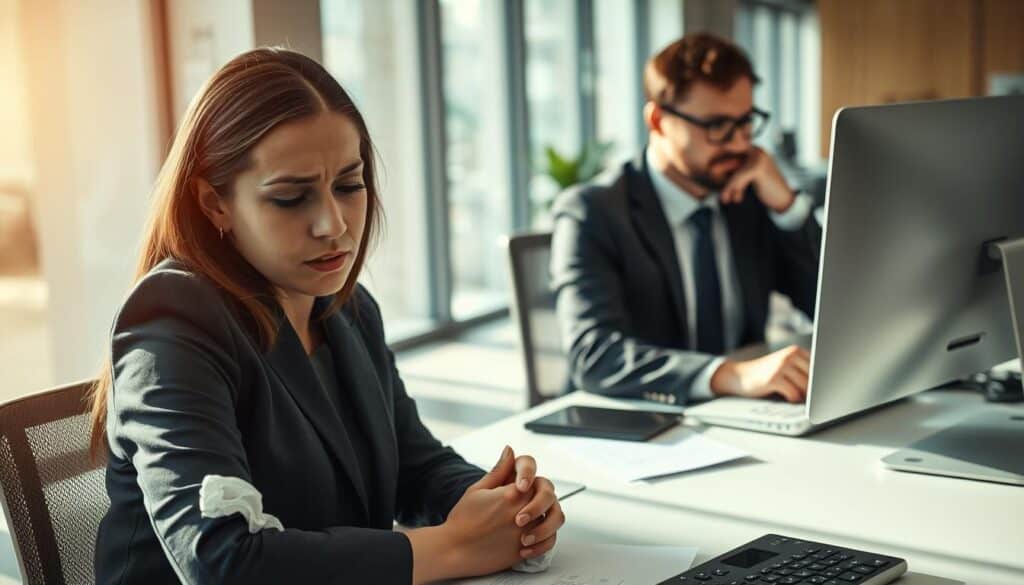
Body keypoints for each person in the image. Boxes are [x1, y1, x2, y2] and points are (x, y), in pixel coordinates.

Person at [90, 48, 563, 585]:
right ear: (214, 203)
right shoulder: (172, 322)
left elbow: (415, 465)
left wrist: (512, 507)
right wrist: (454, 547)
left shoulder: (348, 308)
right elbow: (224, 561)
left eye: (349, 185)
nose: (333, 224)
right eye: (291, 198)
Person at [550, 32, 820, 406]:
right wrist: (731, 375)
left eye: (745, 123)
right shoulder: (592, 211)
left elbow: (830, 304)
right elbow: (594, 355)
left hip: (743, 414)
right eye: (717, 126)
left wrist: (786, 206)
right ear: (658, 120)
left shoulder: (746, 194)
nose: (740, 144)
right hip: (638, 419)